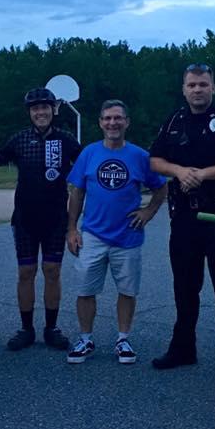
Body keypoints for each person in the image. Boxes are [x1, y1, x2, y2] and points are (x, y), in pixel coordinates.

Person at [148, 63, 215, 369]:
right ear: (184, 89)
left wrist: (204, 174)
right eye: (192, 85)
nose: (197, 90)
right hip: (184, 218)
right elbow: (155, 160)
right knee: (184, 287)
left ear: (213, 87)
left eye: (203, 84)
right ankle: (183, 349)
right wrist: (179, 171)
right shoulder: (174, 120)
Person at [65, 100, 167, 365]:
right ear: (100, 122)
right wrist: (72, 229)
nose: (113, 123)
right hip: (93, 235)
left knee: (127, 291)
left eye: (118, 118)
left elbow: (161, 188)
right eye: (108, 118)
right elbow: (77, 193)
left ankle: (123, 339)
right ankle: (86, 339)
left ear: (127, 122)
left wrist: (148, 212)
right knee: (85, 290)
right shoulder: (89, 153)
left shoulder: (140, 156)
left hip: (127, 238)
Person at [0, 87, 81, 352]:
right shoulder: (19, 139)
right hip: (24, 219)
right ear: (30, 113)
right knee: (26, 272)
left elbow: (88, 169)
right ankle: (26, 329)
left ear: (53, 109)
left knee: (52, 272)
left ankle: (51, 328)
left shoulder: (67, 140)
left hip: (56, 218)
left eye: (45, 107)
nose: (40, 112)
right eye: (35, 108)